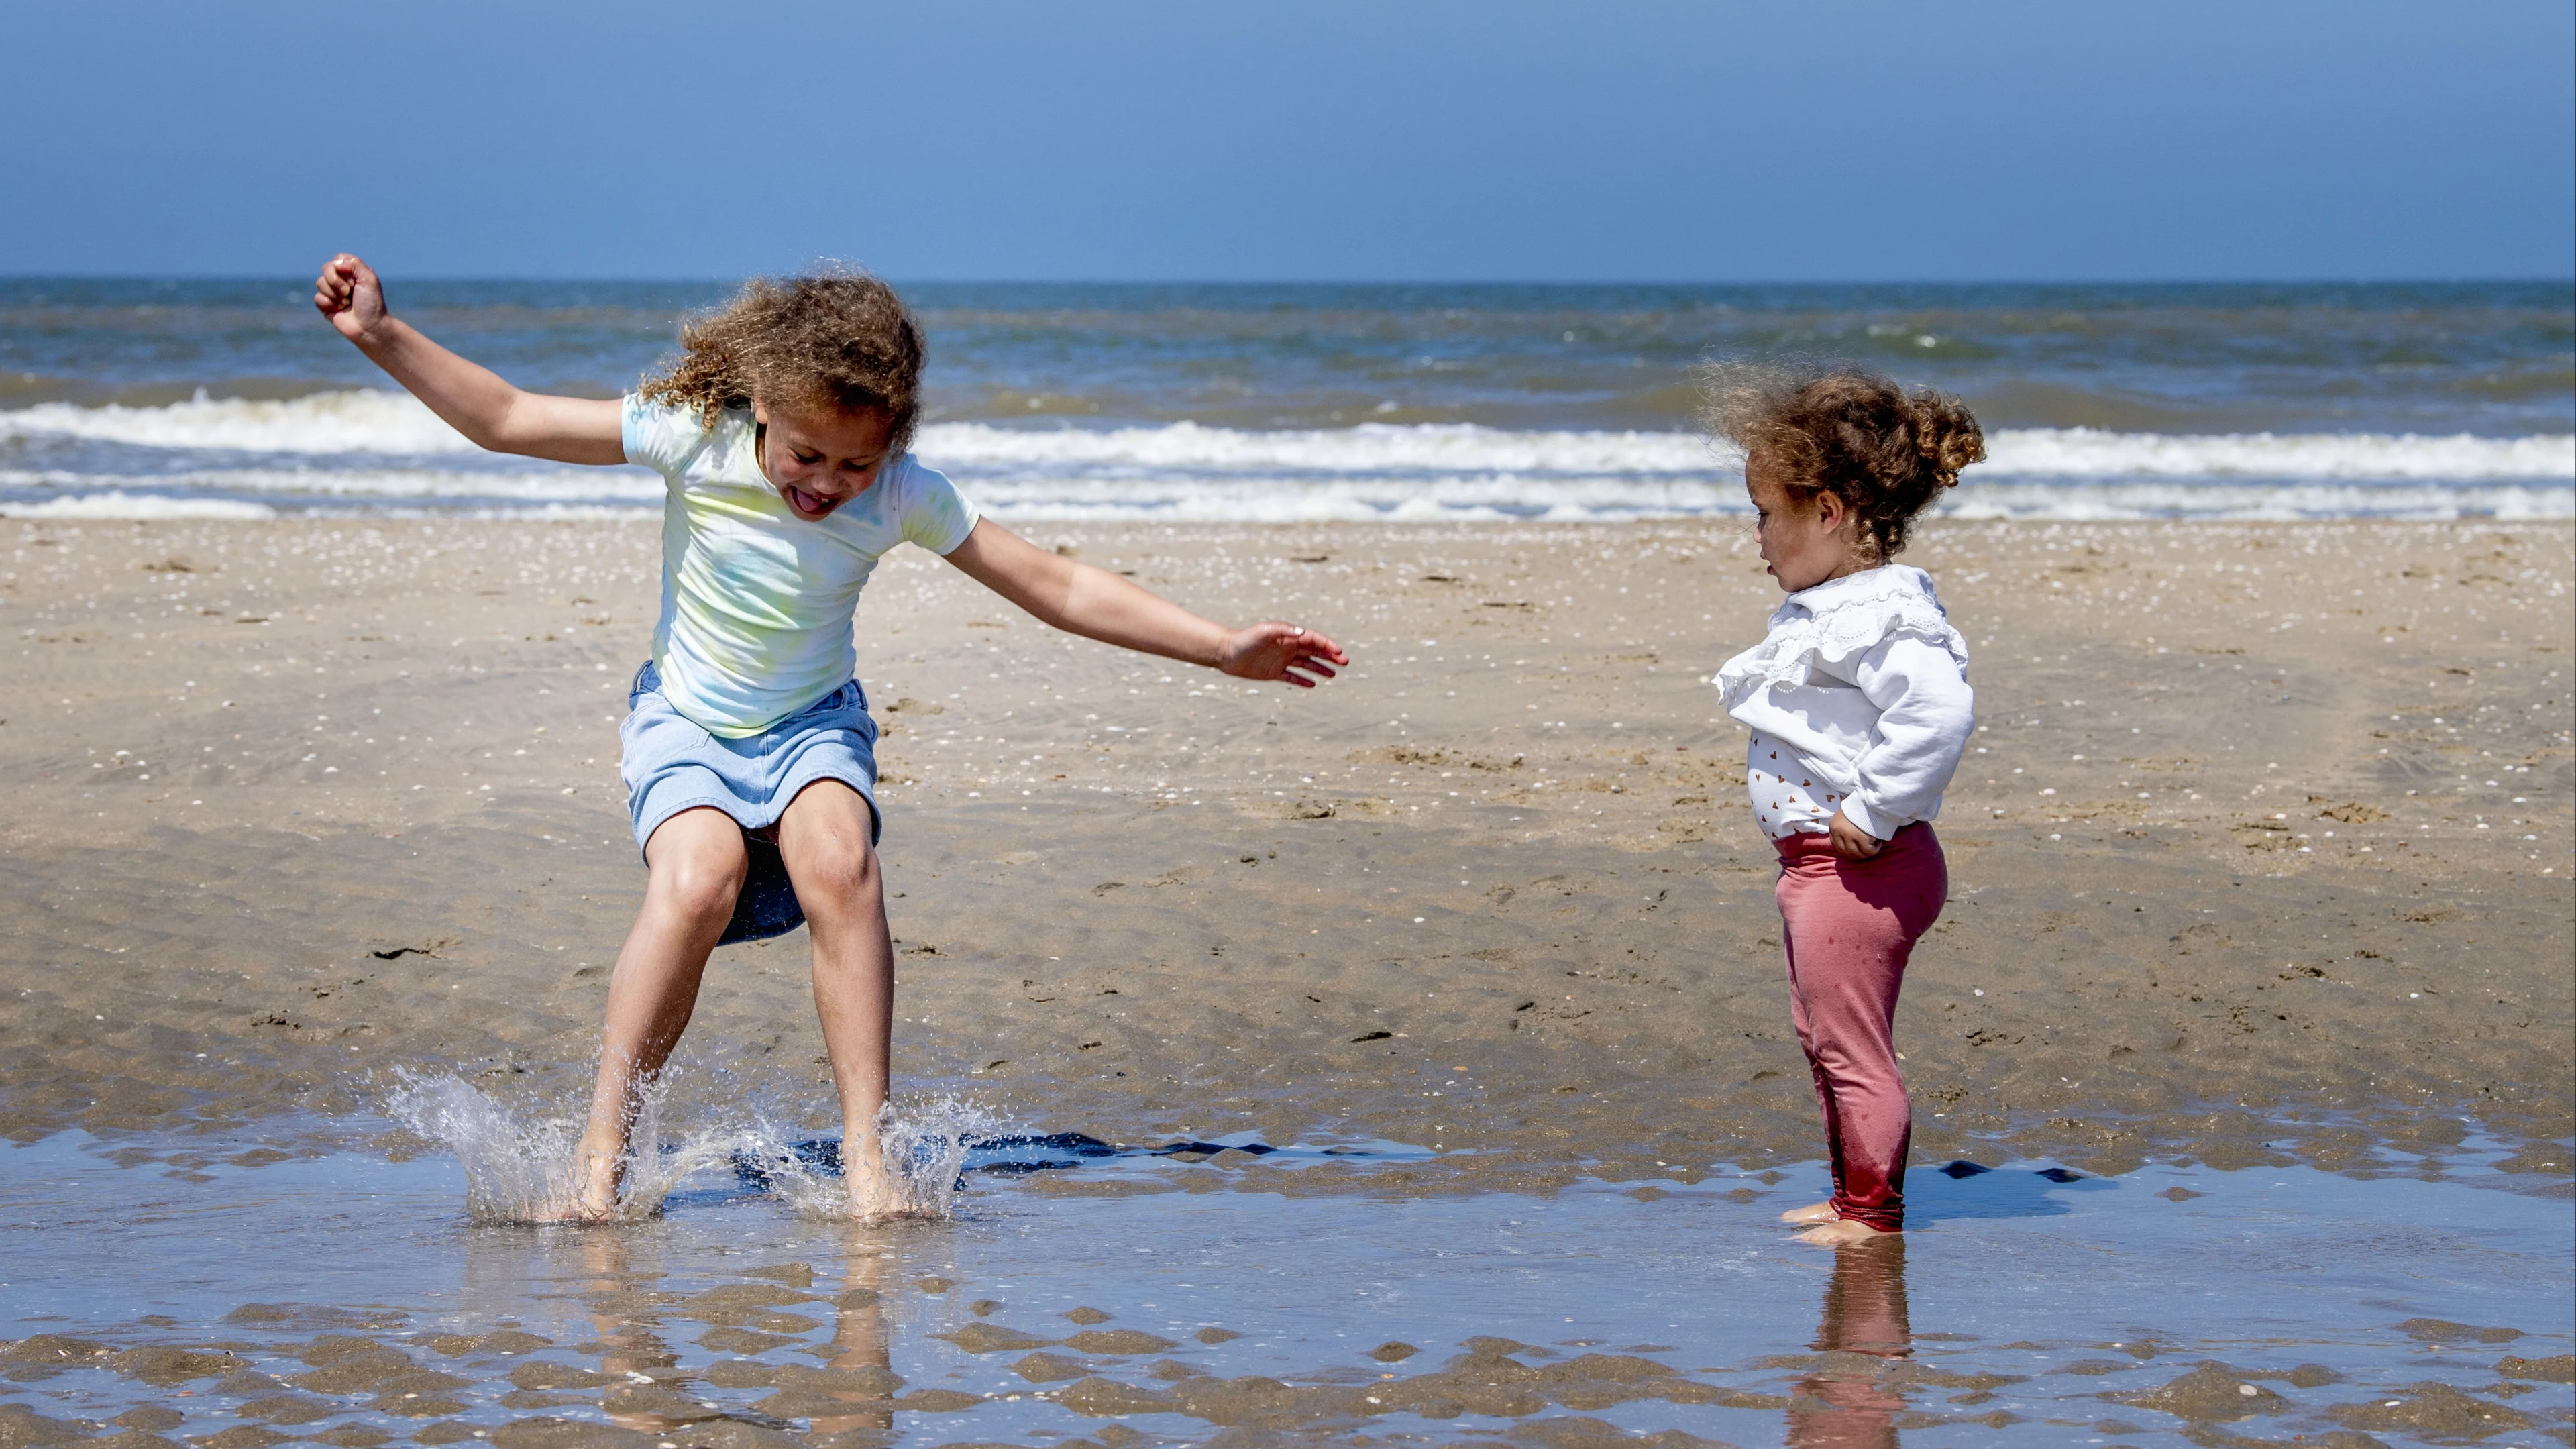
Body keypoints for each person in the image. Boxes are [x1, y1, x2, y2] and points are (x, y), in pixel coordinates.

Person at [314, 256, 1348, 1220]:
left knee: (841, 866)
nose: (827, 482)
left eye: (857, 462)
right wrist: (382, 334)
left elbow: (1058, 586)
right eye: (807, 454)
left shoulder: (901, 493)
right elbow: (504, 418)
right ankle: (601, 1157)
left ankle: (869, 1159)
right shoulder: (693, 434)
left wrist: (1221, 648)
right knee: (696, 883)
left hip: (812, 727)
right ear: (762, 406)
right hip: (686, 722)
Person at [1705, 363, 1981, 1246]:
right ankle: (1848, 1195)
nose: (1754, 536)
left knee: (1851, 1047)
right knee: (1823, 1037)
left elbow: (1937, 711)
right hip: (1817, 868)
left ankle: (1872, 1210)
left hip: (1861, 864)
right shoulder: (1836, 606)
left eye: (1765, 514)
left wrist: (1874, 807)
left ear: (1828, 512)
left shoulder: (1880, 614)